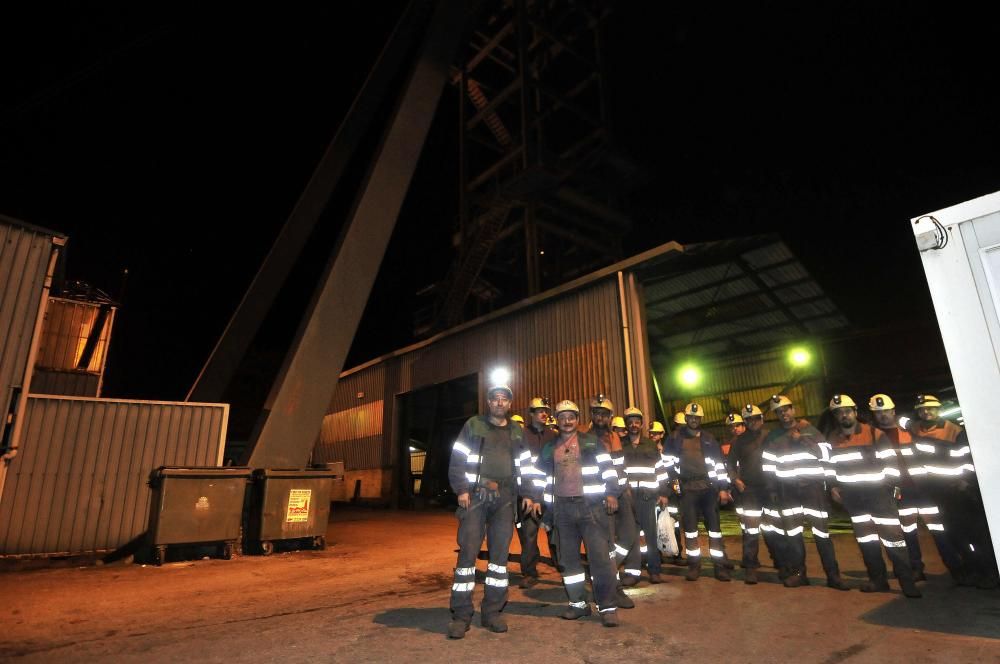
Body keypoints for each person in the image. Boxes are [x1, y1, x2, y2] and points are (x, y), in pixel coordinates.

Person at [446, 378, 537, 638]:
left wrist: (529, 493)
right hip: (475, 496)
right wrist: (462, 488)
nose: (500, 402)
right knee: (467, 556)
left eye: (504, 399)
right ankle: (461, 614)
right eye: (495, 398)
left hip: (506, 497)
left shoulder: (516, 431)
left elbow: (526, 465)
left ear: (509, 403)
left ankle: (492, 612)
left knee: (499, 559)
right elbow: (458, 458)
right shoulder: (474, 425)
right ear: (488, 402)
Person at [536, 400, 622, 626]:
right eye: (562, 417)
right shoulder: (549, 448)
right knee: (568, 560)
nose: (567, 421)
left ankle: (607, 607)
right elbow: (541, 479)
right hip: (562, 510)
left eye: (571, 417)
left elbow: (609, 469)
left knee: (600, 559)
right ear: (557, 420)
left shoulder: (591, 442)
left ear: (577, 419)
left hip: (591, 508)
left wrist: (611, 493)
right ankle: (578, 604)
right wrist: (544, 509)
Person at [825, 394, 920, 597]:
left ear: (855, 412)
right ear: (836, 416)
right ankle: (878, 580)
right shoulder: (832, 439)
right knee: (867, 541)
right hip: (854, 500)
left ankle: (907, 583)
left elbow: (891, 465)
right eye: (839, 412)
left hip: (879, 497)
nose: (844, 415)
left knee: (894, 540)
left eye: (847, 411)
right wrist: (833, 486)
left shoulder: (874, 434)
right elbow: (829, 467)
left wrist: (888, 488)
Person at [868, 393, 962, 583]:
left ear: (893, 411)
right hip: (900, 491)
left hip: (923, 488)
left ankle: (957, 569)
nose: (883, 416)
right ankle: (916, 568)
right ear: (873, 415)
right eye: (878, 413)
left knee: (939, 530)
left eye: (886, 411)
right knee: (908, 532)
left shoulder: (910, 430)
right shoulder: (875, 436)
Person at [907, 394, 998, 588]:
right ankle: (972, 570)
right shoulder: (915, 429)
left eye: (930, 408)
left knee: (974, 535)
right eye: (922, 409)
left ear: (938, 409)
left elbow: (968, 460)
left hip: (956, 492)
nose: (926, 412)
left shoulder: (954, 431)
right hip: (934, 492)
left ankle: (989, 572)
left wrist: (965, 482)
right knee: (953, 535)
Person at [760, 394, 848, 590]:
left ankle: (833, 576)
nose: (784, 414)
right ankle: (800, 575)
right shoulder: (773, 438)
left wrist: (803, 441)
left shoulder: (810, 431)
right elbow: (768, 466)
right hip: (787, 492)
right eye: (779, 411)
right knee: (793, 535)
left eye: (786, 409)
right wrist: (772, 489)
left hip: (813, 490)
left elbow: (826, 456)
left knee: (821, 534)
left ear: (793, 410)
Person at [662, 402, 732, 581]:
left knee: (715, 530)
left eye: (697, 417)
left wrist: (723, 489)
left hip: (708, 489)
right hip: (687, 491)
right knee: (691, 531)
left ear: (701, 419)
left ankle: (720, 567)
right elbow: (668, 466)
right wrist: (676, 488)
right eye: (690, 417)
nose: (693, 420)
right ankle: (694, 565)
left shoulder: (709, 438)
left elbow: (719, 465)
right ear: (686, 418)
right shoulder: (675, 438)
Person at [585, 395, 636, 609]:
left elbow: (620, 466)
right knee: (607, 544)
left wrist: (627, 489)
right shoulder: (585, 438)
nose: (600, 417)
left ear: (610, 417)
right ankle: (612, 586)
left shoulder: (615, 437)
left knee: (629, 535)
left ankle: (604, 571)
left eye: (604, 414)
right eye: (596, 413)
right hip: (602, 496)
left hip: (621, 493)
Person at [727, 403, 782, 584]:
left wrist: (776, 486)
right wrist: (736, 480)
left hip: (769, 489)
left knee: (772, 529)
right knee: (751, 530)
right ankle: (750, 568)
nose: (752, 423)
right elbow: (730, 465)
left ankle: (780, 563)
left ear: (762, 419)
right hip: (749, 490)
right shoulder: (738, 441)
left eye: (755, 419)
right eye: (748, 420)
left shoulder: (770, 437)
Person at [620, 407, 670, 585]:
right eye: (630, 421)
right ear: (627, 424)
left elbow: (661, 471)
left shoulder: (650, 445)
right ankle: (633, 573)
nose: (634, 424)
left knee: (650, 535)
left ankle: (654, 571)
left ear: (641, 424)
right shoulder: (620, 444)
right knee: (631, 536)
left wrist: (664, 493)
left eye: (637, 421)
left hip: (647, 497)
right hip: (627, 497)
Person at [515, 397, 556, 589]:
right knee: (529, 534)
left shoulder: (553, 436)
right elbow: (519, 466)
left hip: (550, 493)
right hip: (530, 493)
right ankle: (529, 572)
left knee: (555, 532)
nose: (544, 413)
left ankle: (560, 563)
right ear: (531, 414)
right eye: (539, 411)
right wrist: (526, 494)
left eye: (546, 411)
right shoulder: (521, 435)